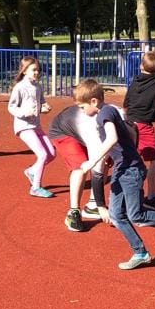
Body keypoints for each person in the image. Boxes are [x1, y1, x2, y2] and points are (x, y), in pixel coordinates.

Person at [76, 79, 155, 270]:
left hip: (130, 171)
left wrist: (93, 161)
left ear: (94, 101)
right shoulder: (109, 111)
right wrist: (115, 156)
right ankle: (141, 253)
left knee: (136, 215)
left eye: (82, 107)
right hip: (122, 169)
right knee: (116, 216)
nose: (81, 111)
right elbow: (126, 135)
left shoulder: (104, 113)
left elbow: (112, 138)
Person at [48, 99, 110, 231]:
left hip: (83, 132)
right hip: (63, 131)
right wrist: (102, 205)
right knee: (81, 167)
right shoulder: (89, 122)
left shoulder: (117, 117)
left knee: (106, 161)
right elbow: (95, 163)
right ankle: (73, 212)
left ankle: (93, 205)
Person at [123, 50, 155, 210]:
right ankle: (151, 196)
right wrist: (152, 115)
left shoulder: (133, 82)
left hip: (128, 124)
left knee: (127, 160)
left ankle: (122, 197)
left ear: (141, 65)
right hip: (144, 126)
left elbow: (126, 104)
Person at [7, 56, 56, 198]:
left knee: (51, 154)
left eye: (38, 70)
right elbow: (11, 107)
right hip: (23, 126)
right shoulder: (20, 87)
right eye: (33, 70)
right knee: (42, 155)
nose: (36, 72)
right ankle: (35, 187)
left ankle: (31, 171)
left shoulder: (38, 87)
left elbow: (41, 103)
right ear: (24, 71)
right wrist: (24, 112)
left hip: (36, 126)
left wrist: (44, 107)